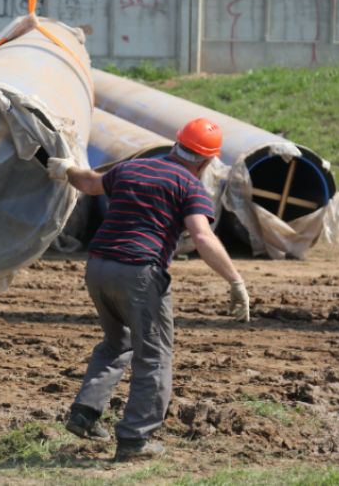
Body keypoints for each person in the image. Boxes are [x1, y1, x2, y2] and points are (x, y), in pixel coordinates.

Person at [47, 118, 249, 461]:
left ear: (176, 143)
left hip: (97, 265)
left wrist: (66, 167)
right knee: (154, 356)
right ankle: (134, 442)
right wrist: (235, 280)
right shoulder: (190, 187)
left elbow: (88, 182)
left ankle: (85, 414)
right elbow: (201, 236)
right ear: (206, 162)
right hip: (138, 272)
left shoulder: (131, 168)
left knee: (118, 342)